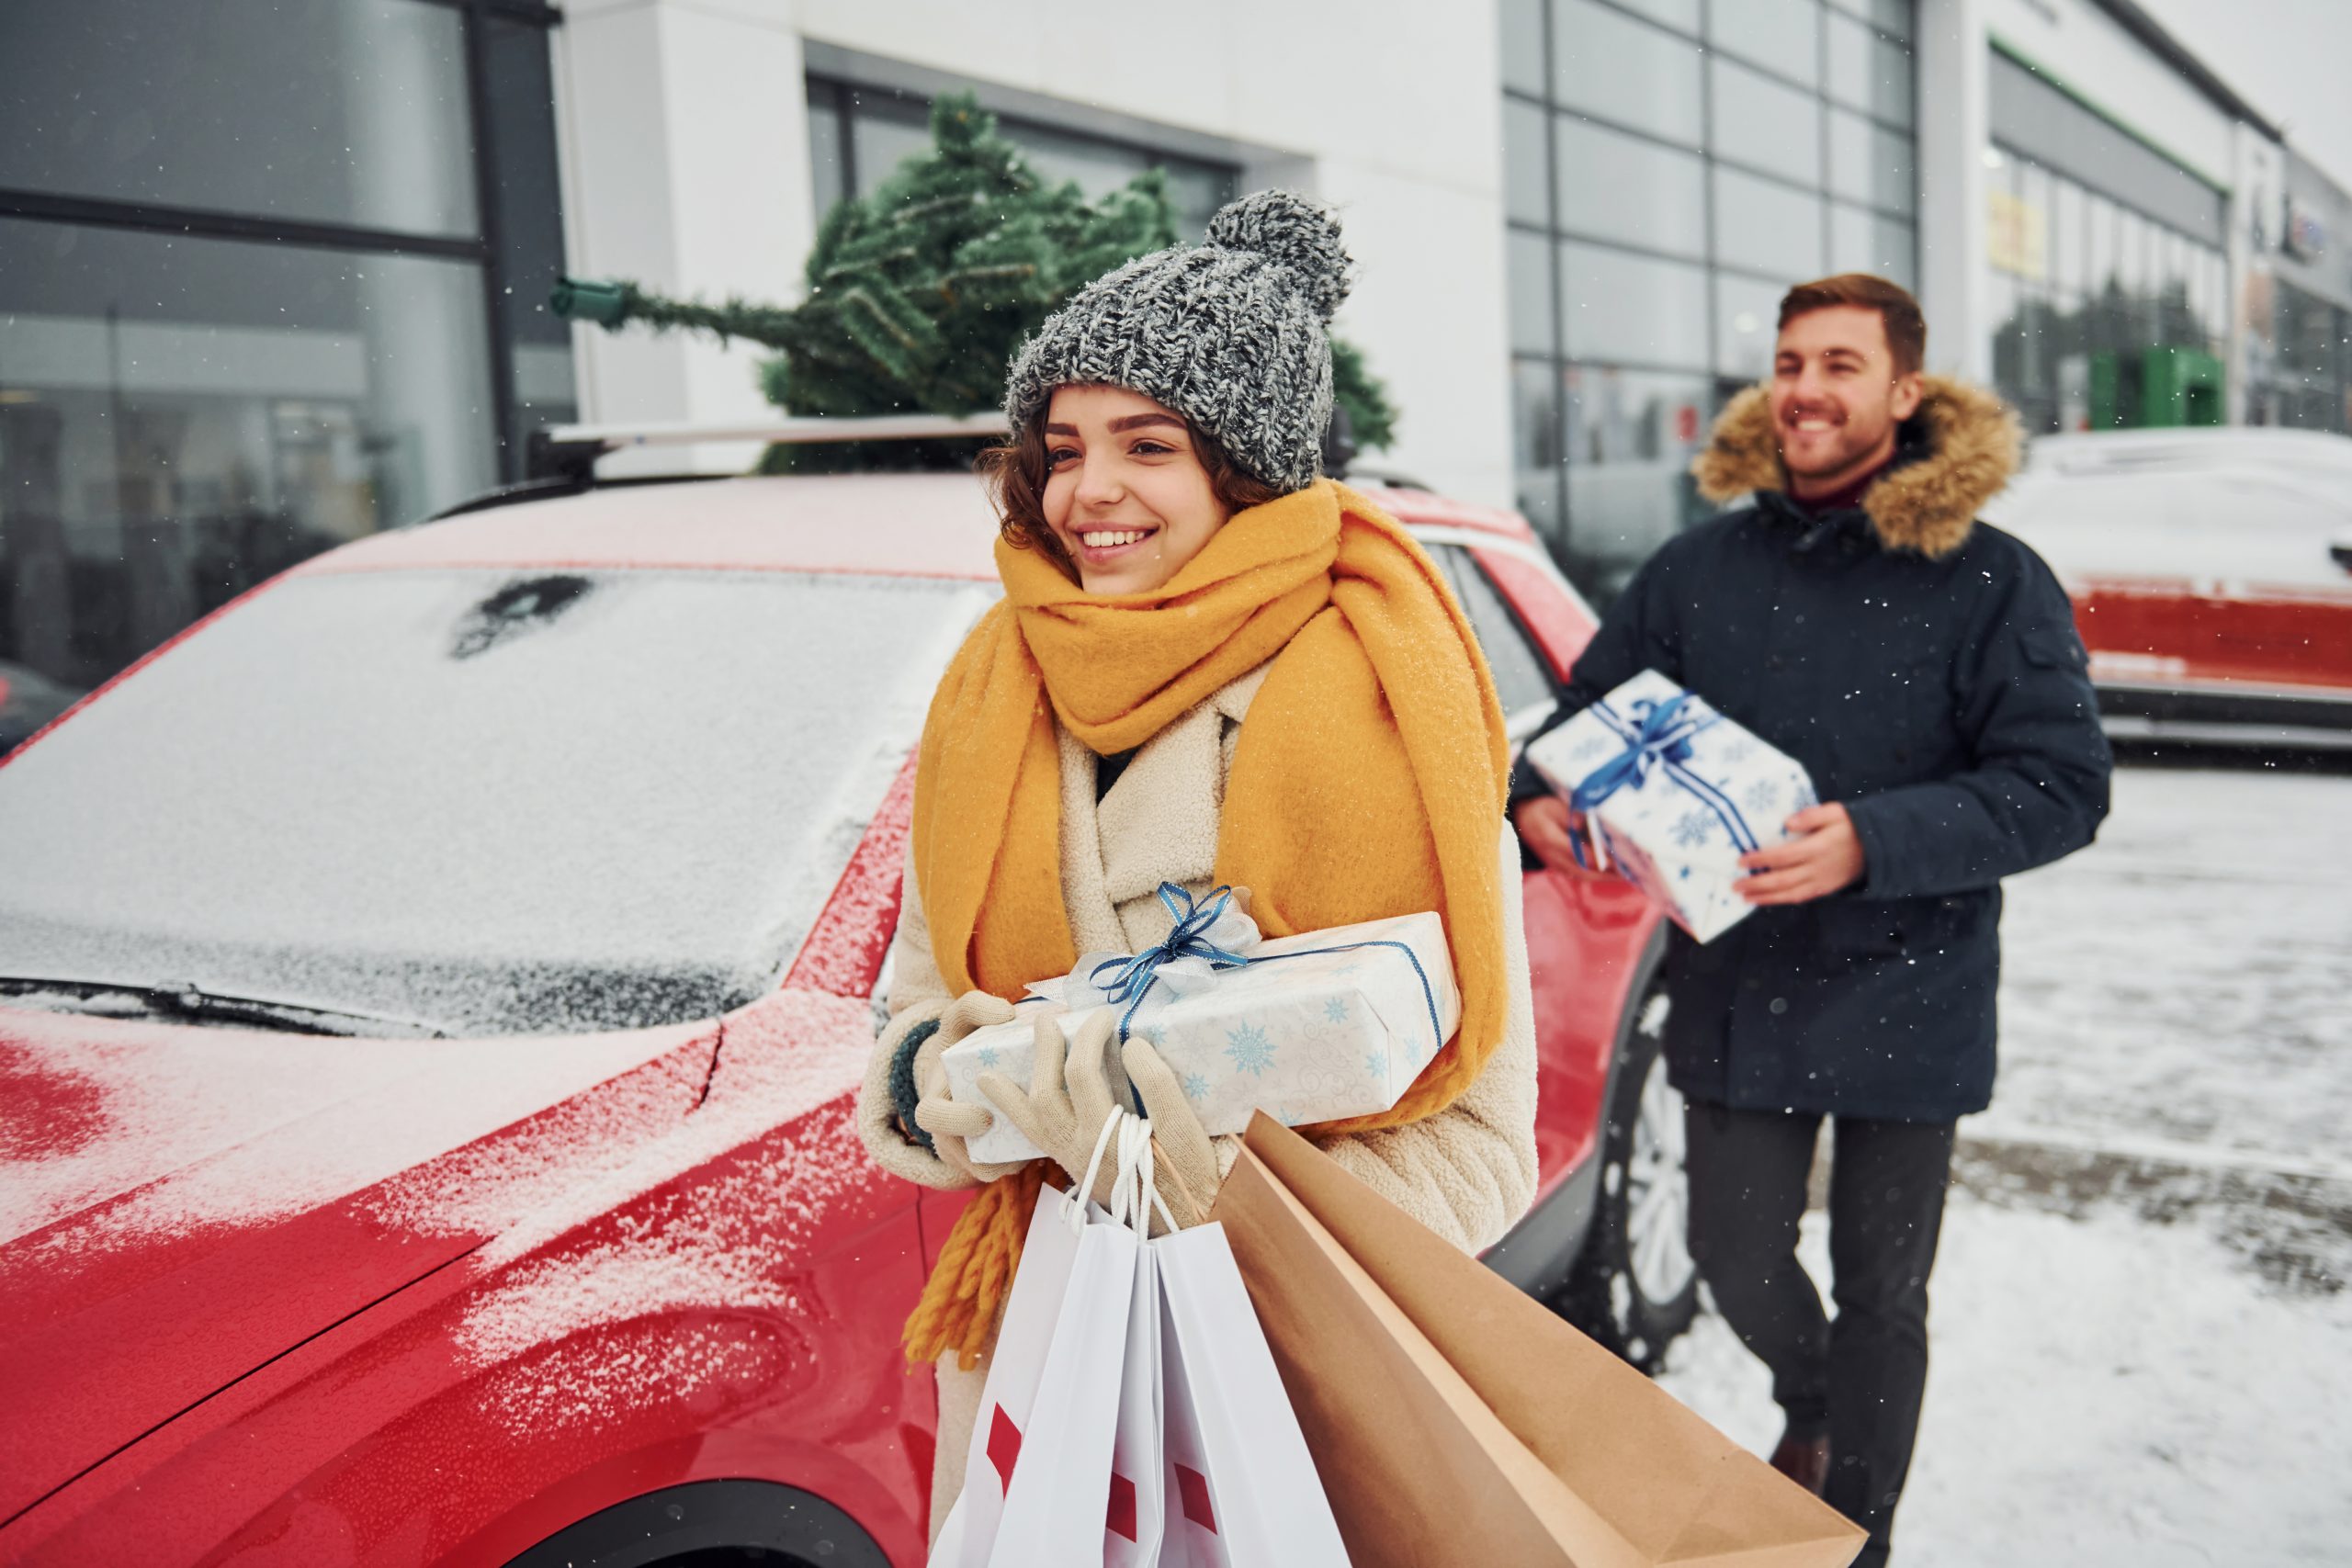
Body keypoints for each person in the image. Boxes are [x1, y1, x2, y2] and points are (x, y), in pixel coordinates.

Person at [854, 190, 1540, 1539]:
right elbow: (908, 1015)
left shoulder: (1396, 707)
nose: (1087, 491)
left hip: (1299, 1388)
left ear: (1242, 464)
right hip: (1045, 1355)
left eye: (1145, 444)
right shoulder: (996, 689)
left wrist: (1211, 1204)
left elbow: (1482, 1143)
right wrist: (959, 1083)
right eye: (1062, 446)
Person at [1513, 275, 2111, 1564]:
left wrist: (1873, 841)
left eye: (1841, 364)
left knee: (1885, 1290)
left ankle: (1858, 1532)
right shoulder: (1701, 566)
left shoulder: (1994, 581)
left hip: (1916, 983)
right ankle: (1815, 1405)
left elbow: (2063, 787)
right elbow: (1587, 710)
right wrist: (1536, 795)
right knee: (1733, 1255)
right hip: (1742, 984)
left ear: (1906, 393)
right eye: (1790, 362)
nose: (1805, 390)